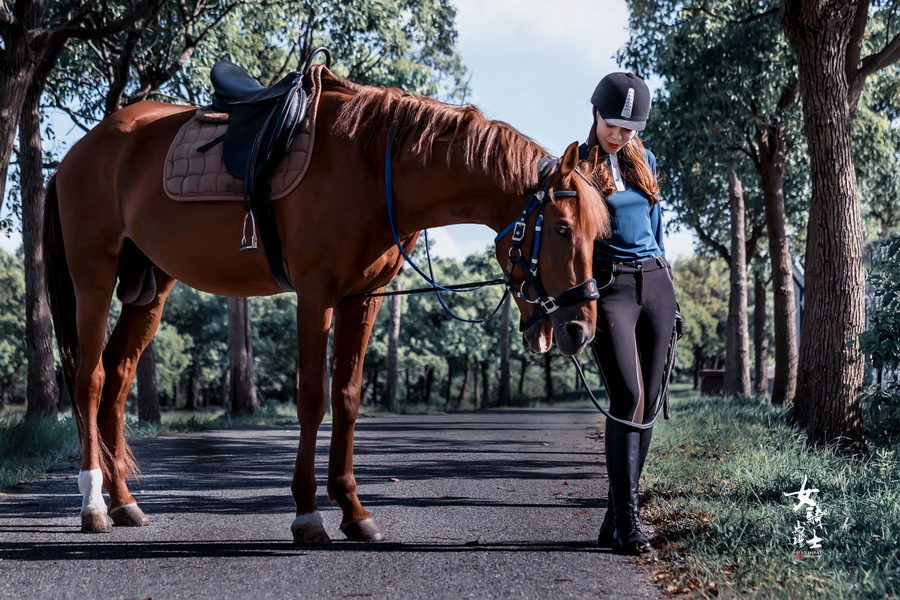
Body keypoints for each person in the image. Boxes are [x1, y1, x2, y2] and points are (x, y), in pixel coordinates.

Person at [580, 72, 677, 555]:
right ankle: (630, 522)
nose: (619, 135)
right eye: (613, 124)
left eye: (629, 128)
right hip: (611, 286)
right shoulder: (574, 167)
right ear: (595, 112)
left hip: (656, 282)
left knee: (651, 401)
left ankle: (614, 518)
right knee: (627, 396)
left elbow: (658, 229)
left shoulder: (645, 160)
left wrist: (670, 291)